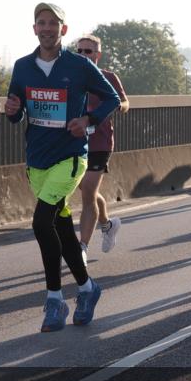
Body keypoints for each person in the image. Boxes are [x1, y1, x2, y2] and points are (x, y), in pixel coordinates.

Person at [4, 3, 120, 333]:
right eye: (41, 23)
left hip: (70, 158)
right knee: (62, 228)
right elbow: (15, 113)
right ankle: (87, 289)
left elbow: (111, 98)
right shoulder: (22, 67)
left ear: (63, 30)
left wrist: (88, 119)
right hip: (37, 160)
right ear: (34, 28)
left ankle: (54, 300)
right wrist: (11, 109)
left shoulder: (78, 65)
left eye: (53, 23)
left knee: (42, 222)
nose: (47, 28)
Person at [74, 35, 129, 260]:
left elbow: (124, 102)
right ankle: (107, 225)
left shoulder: (108, 77)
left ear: (97, 55)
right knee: (86, 189)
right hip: (73, 141)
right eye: (80, 51)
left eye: (88, 51)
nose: (84, 55)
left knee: (88, 191)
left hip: (100, 142)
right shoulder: (69, 77)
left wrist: (119, 107)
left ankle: (82, 248)